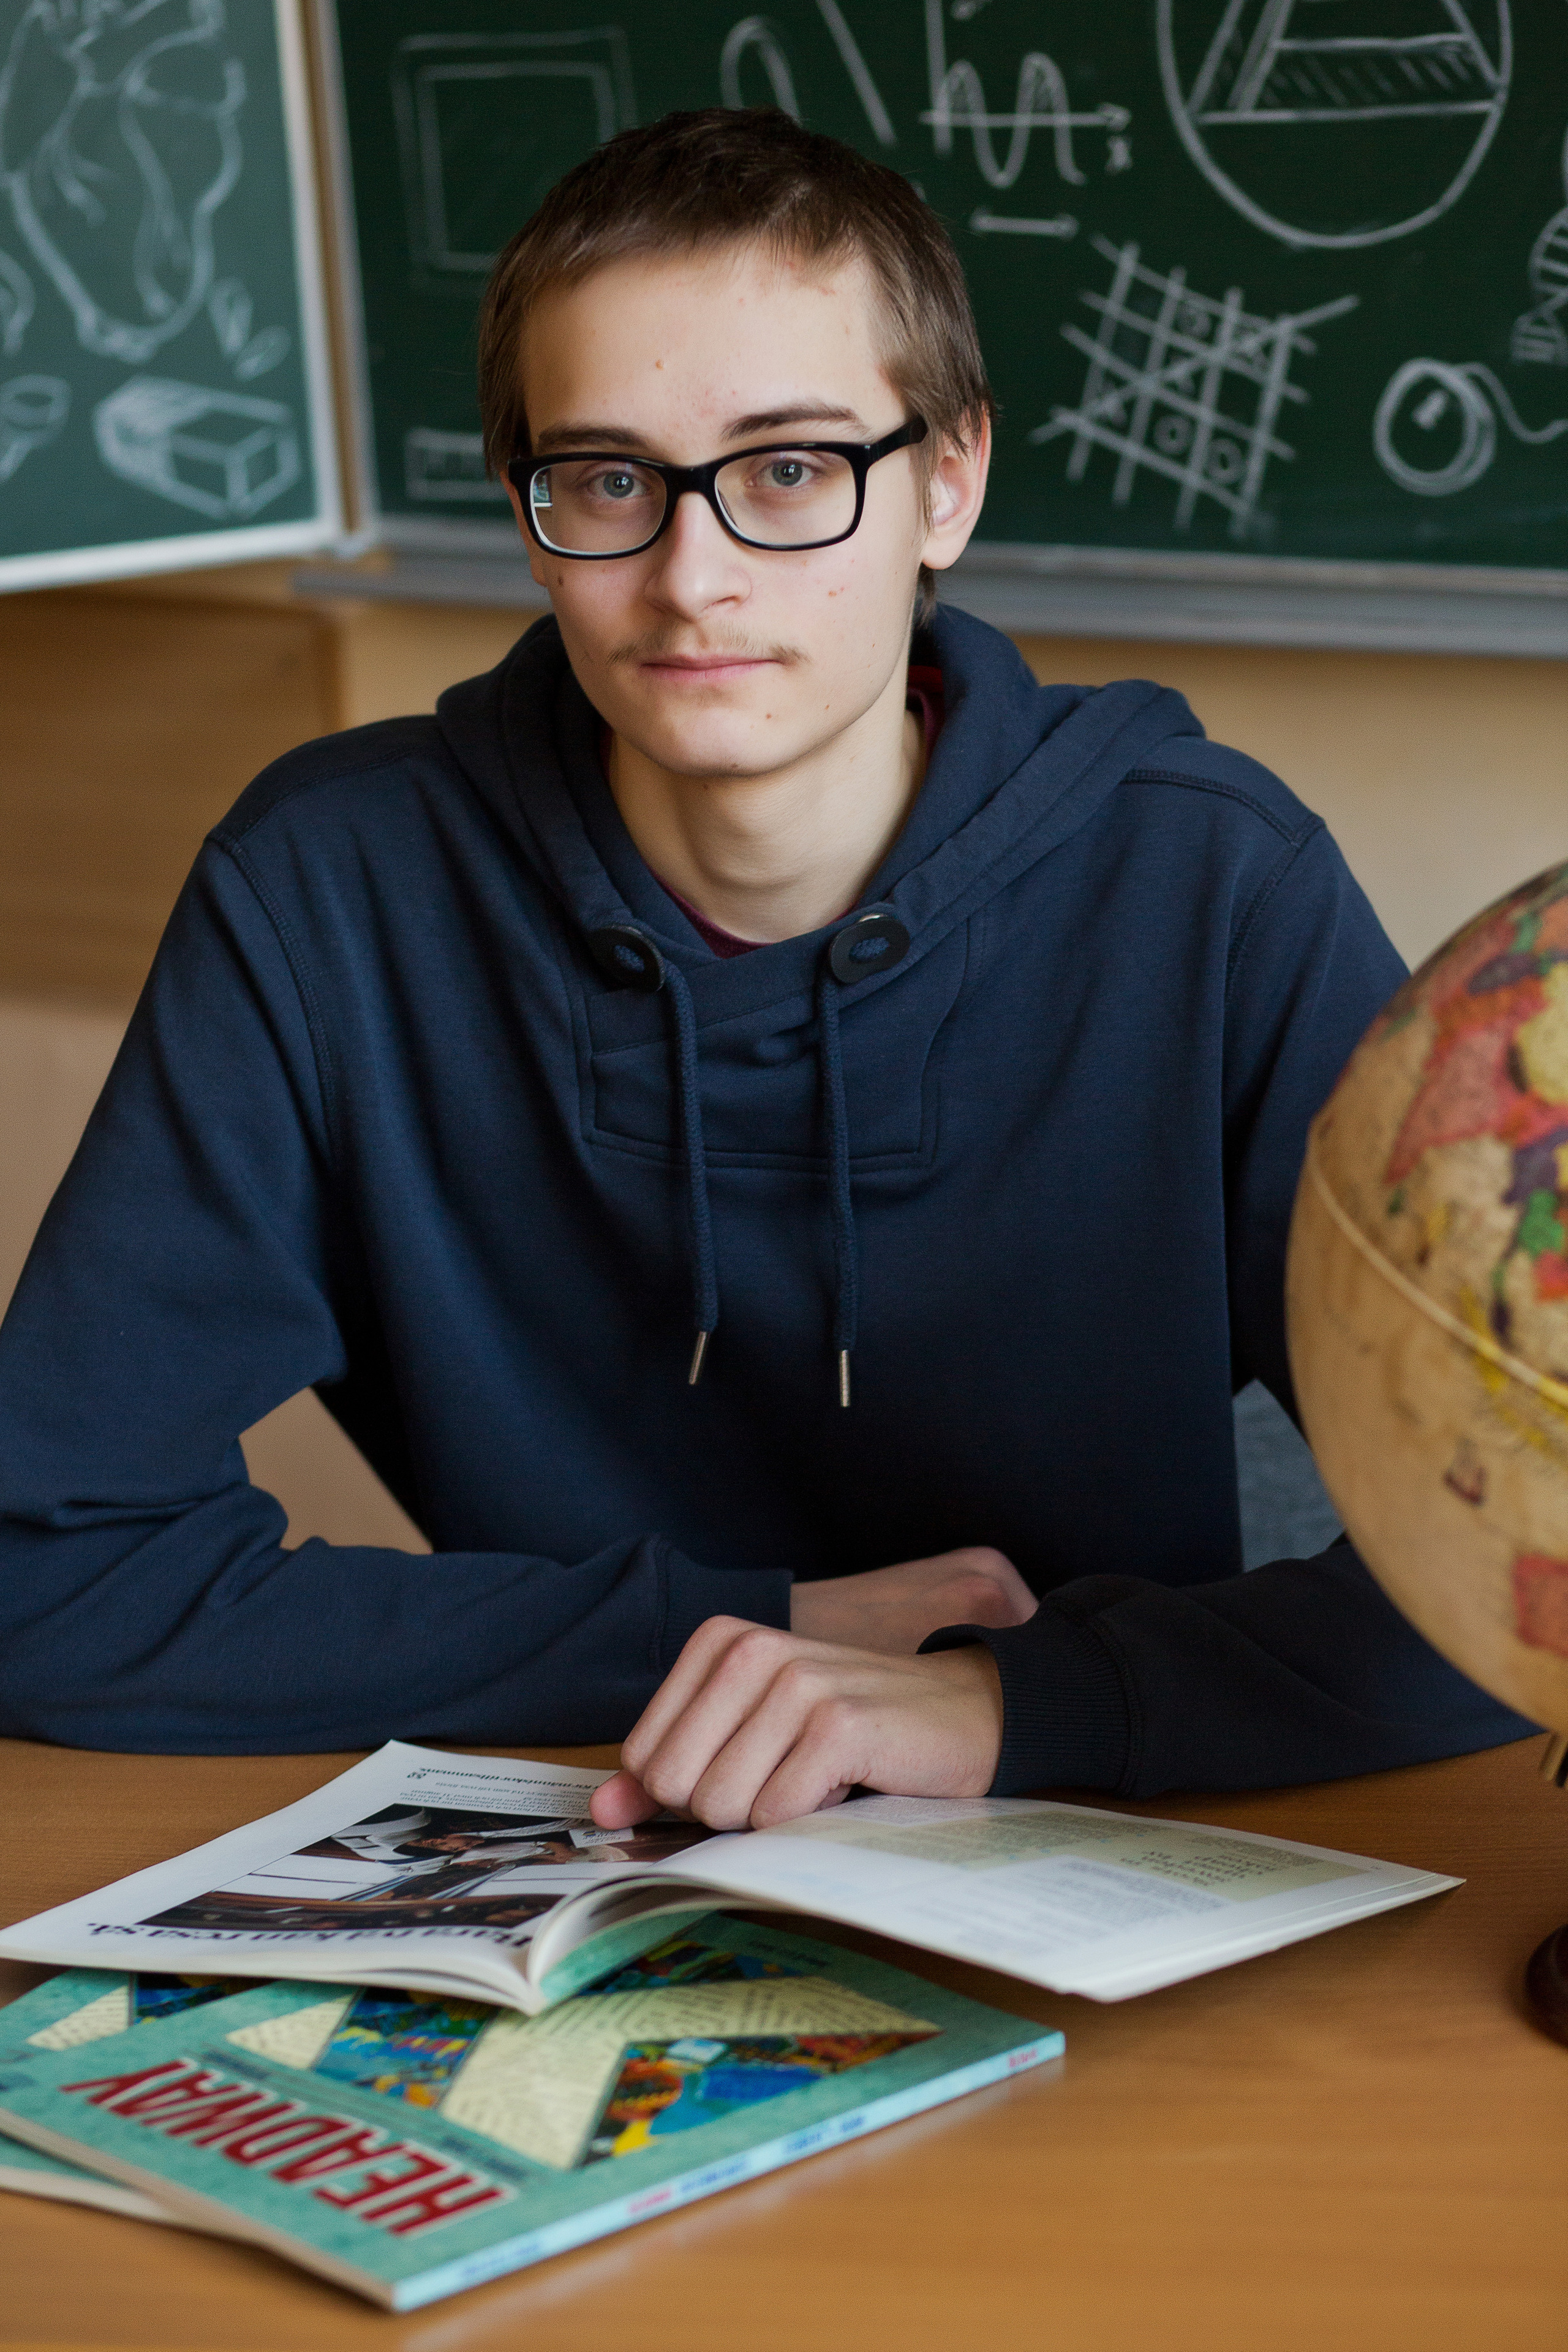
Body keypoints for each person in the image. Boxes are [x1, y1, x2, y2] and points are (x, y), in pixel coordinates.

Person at [0, 110, 1529, 1823]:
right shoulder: (327, 897)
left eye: (790, 470)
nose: (691, 576)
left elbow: (1523, 1570)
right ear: (529, 514)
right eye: (606, 480)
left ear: (946, 482)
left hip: (1098, 1845)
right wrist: (740, 1639)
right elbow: (44, 1569)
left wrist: (990, 1711)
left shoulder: (1209, 887)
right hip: (596, 1829)